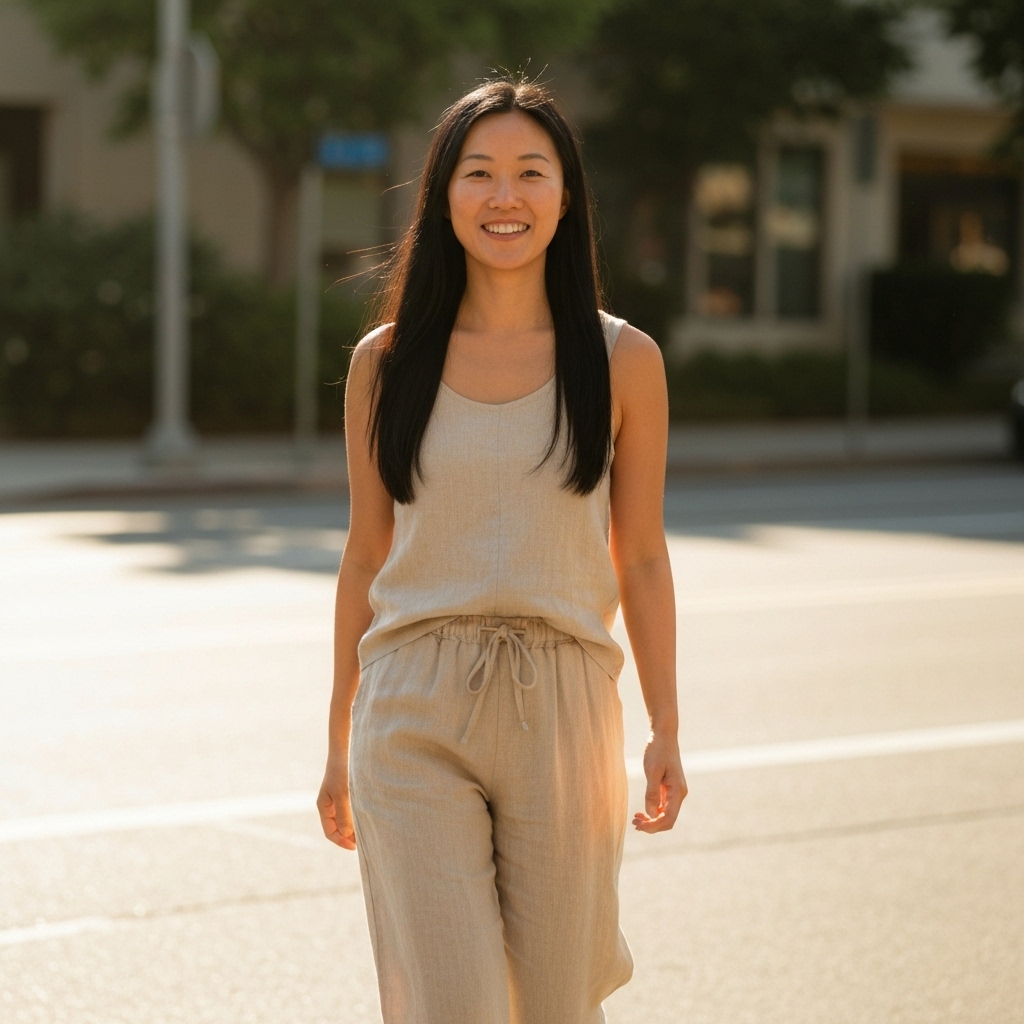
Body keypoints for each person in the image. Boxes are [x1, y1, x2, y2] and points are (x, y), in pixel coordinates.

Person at [317, 78, 686, 1024]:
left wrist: (665, 728)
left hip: (563, 705)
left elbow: (640, 555)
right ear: (445, 198)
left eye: (531, 172)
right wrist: (334, 742)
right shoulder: (383, 361)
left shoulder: (622, 362)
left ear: (566, 199)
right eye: (478, 173)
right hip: (411, 707)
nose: (504, 196)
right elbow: (366, 555)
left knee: (558, 1004)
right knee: (457, 1005)